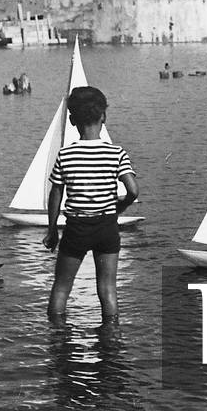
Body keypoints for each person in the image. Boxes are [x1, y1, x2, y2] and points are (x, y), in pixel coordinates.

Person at [44, 86, 139, 324]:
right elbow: (133, 190)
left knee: (62, 288)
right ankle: (111, 338)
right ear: (103, 117)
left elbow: (56, 193)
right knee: (108, 289)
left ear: (73, 120)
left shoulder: (66, 154)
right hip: (107, 227)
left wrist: (52, 229)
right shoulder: (117, 153)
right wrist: (121, 206)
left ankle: (56, 337)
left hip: (77, 227)